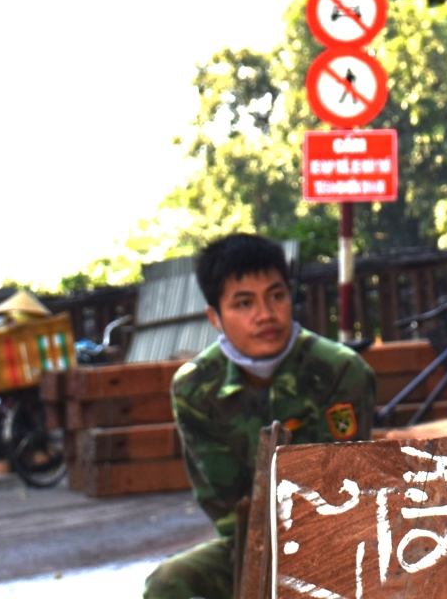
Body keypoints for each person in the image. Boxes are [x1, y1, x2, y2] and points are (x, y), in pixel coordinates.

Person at [146, 234, 378, 599]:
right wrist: (265, 569)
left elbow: (353, 491)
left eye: (276, 295)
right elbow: (225, 506)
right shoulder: (195, 390)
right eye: (243, 303)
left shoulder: (340, 372)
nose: (265, 314)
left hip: (344, 544)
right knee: (168, 582)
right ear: (215, 317)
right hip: (253, 542)